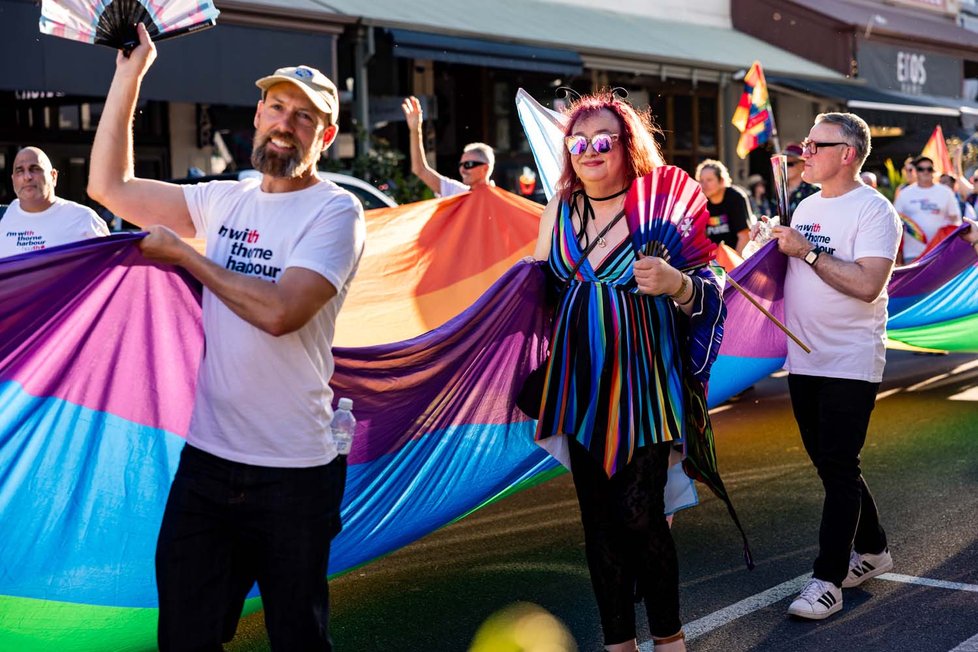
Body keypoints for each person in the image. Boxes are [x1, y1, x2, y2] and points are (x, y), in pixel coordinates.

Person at [87, 24, 365, 651]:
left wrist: (189, 259)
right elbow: (108, 188)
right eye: (276, 106)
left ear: (323, 136)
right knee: (185, 637)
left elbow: (280, 312)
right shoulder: (223, 200)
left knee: (297, 638)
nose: (285, 123)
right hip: (208, 464)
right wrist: (129, 73)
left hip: (295, 472)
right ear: (258, 113)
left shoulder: (335, 212)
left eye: (304, 116)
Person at [530, 90, 724, 652]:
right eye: (578, 141)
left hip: (645, 384)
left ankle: (670, 640)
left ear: (626, 146)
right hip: (580, 386)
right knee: (599, 525)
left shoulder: (657, 211)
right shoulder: (558, 212)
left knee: (640, 515)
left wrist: (678, 283)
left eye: (602, 141)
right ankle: (619, 644)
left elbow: (709, 298)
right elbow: (538, 289)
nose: (589, 151)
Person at [768, 112, 900, 620]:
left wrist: (807, 252)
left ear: (847, 153)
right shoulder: (803, 206)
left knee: (839, 465)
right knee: (831, 464)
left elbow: (868, 285)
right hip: (803, 355)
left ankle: (827, 580)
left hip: (850, 357)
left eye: (815, 144)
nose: (805, 151)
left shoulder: (875, 211)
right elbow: (792, 267)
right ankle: (873, 548)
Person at [1, 146, 109, 258]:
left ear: (53, 177)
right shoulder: (4, 217)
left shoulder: (84, 219)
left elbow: (109, 270)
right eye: (20, 171)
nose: (27, 177)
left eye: (35, 169)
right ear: (13, 180)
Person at [401, 95, 494, 196]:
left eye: (468, 165)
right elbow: (419, 169)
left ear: (485, 168)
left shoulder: (500, 200)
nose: (462, 170)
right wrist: (415, 130)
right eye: (460, 165)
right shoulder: (458, 192)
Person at [893, 155, 961, 263]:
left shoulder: (946, 192)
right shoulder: (905, 194)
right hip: (913, 253)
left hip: (940, 250)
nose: (925, 172)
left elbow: (955, 220)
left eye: (929, 169)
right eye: (921, 169)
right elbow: (895, 221)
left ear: (934, 171)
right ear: (915, 171)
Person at [695, 159, 753, 254]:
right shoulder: (700, 201)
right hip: (713, 260)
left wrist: (736, 266)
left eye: (709, 180)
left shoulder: (736, 198)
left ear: (721, 180)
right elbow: (701, 237)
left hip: (736, 256)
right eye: (701, 180)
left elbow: (744, 236)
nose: (704, 185)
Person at [784, 142, 818, 220]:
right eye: (783, 164)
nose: (785, 167)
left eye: (790, 164)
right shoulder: (779, 190)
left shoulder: (813, 191)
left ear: (803, 164)